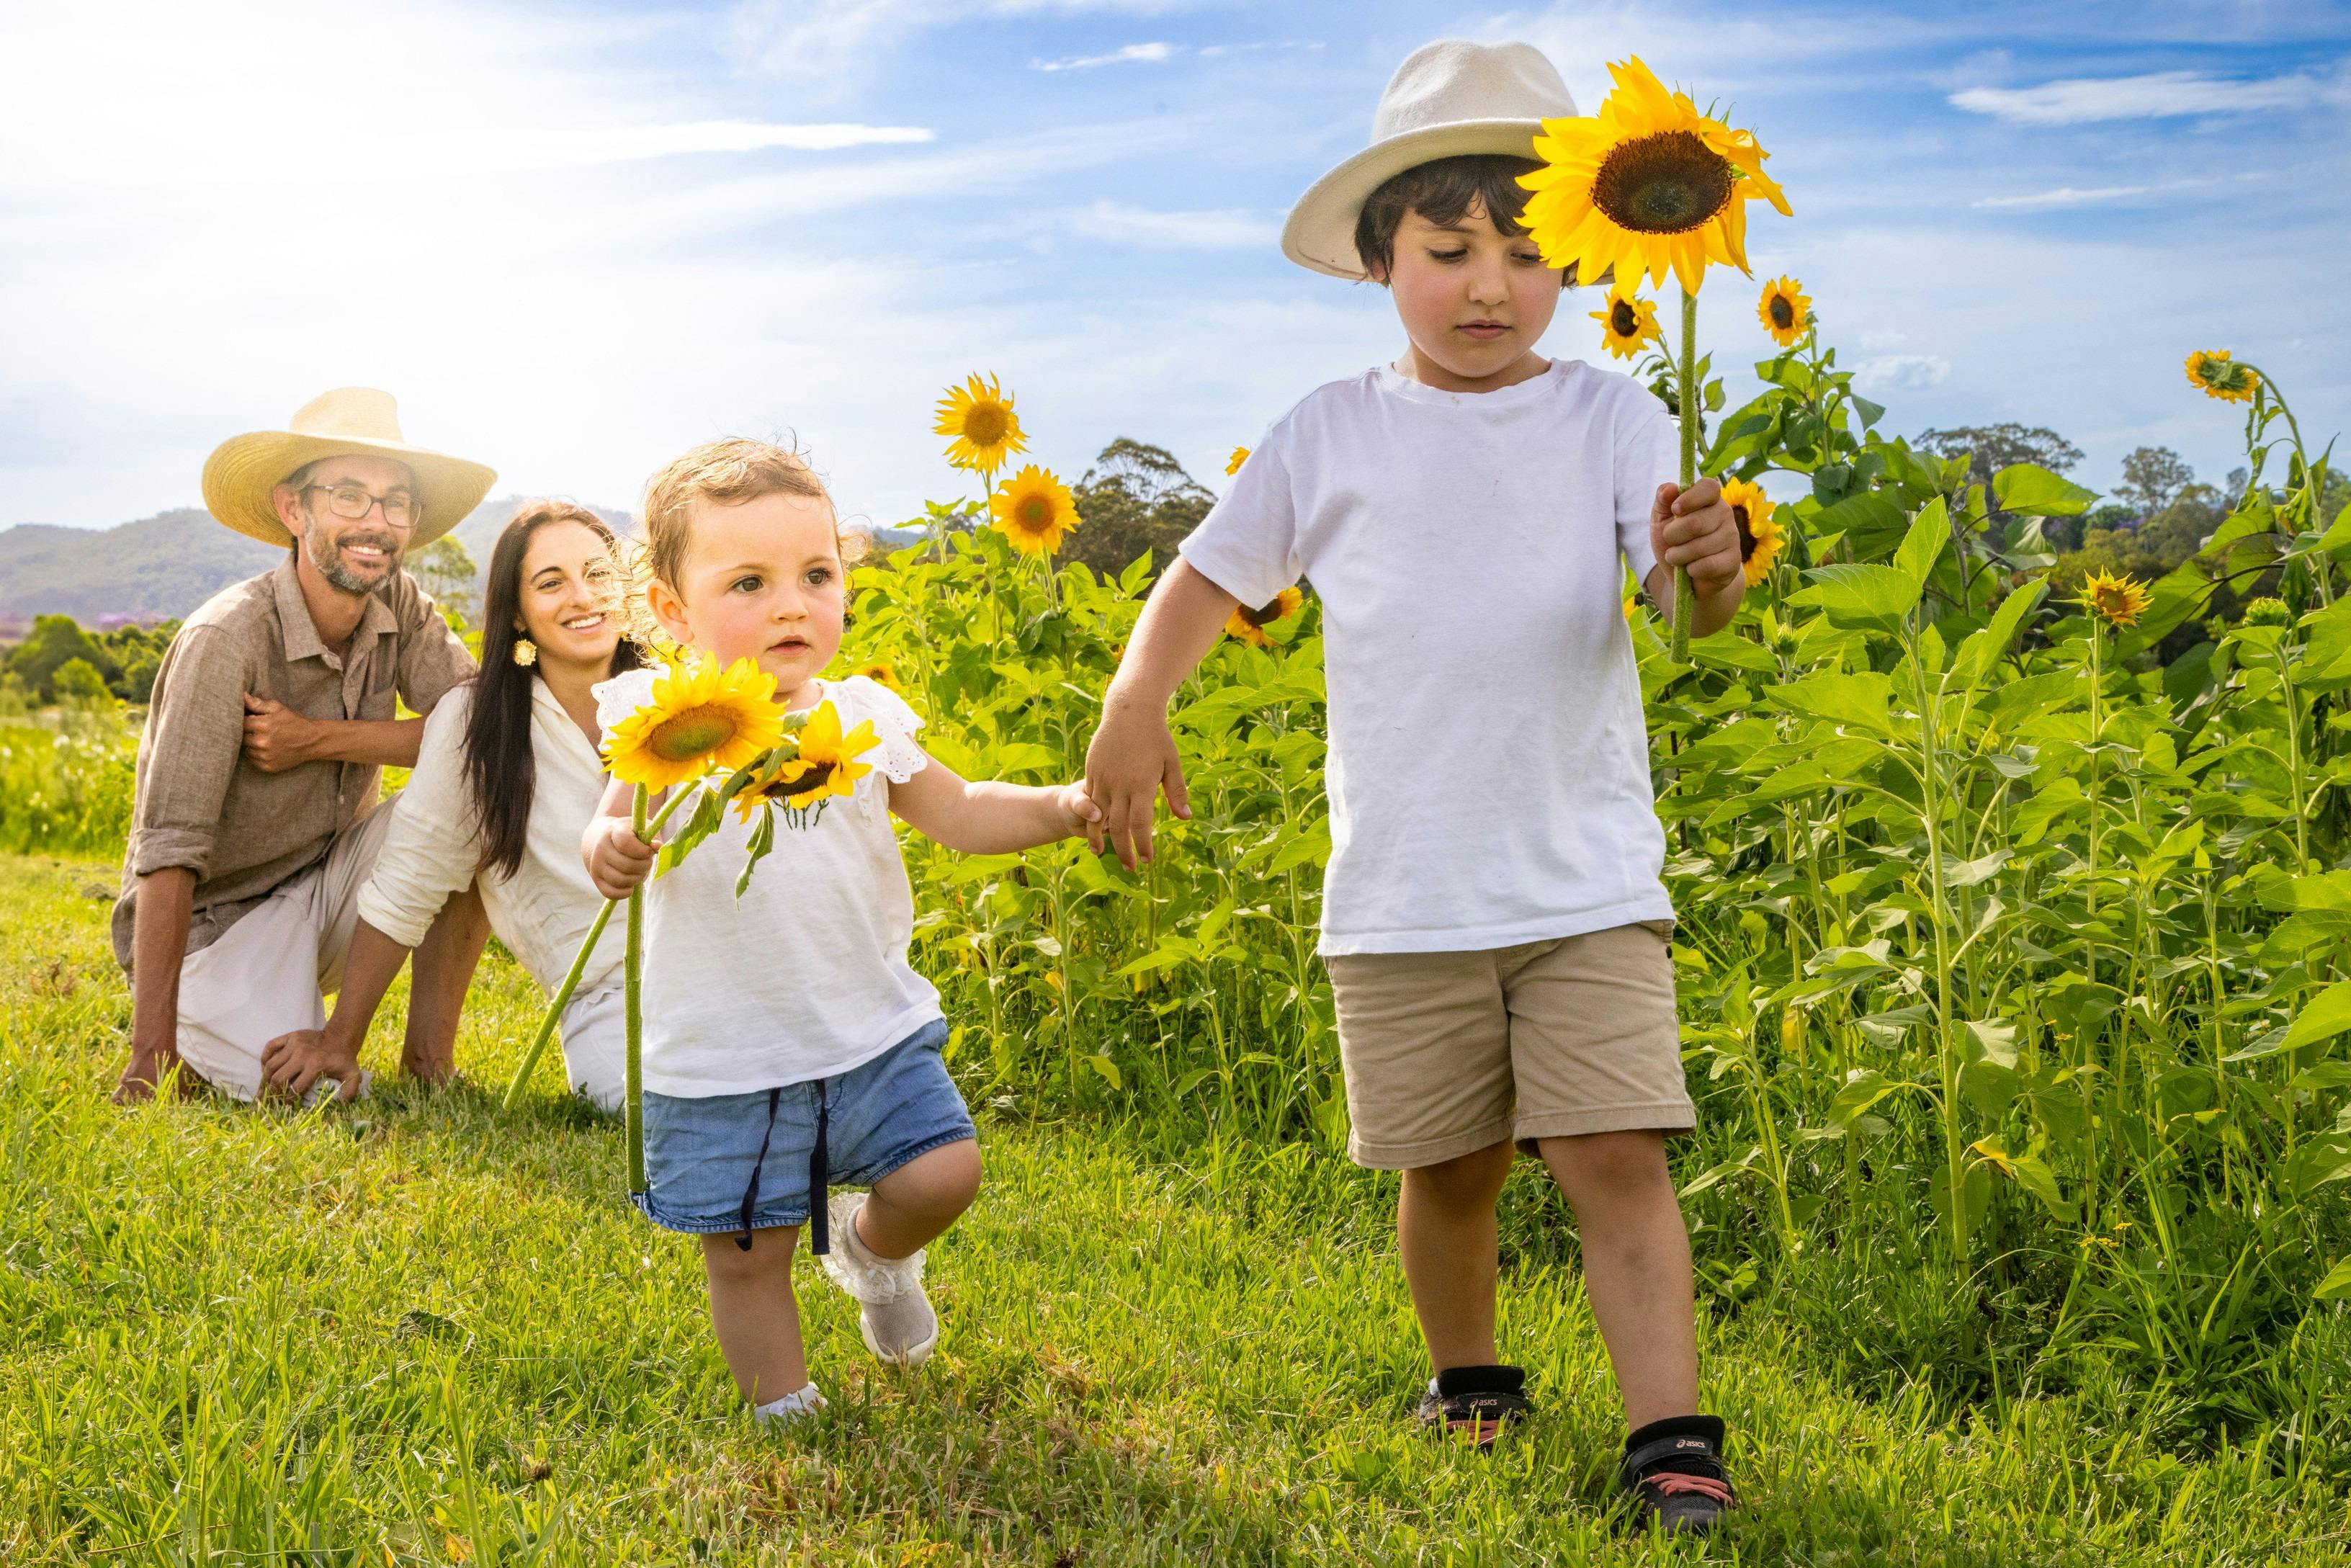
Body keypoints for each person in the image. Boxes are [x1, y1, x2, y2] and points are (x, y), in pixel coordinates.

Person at [1080, 40, 1747, 1533]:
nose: (1488, 284)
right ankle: (1472, 1376)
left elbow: (1686, 609)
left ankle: (1673, 1437)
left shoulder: (1615, 419)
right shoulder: (1334, 429)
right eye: (1448, 251)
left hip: (1584, 875)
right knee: (1447, 1165)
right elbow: (1204, 576)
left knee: (1615, 1150)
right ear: (1384, 257)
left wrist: (1713, 570)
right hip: (1403, 885)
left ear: (1574, 258)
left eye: (1524, 250)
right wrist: (1136, 702)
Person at [583, 438, 1101, 1425]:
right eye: (750, 581)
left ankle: (873, 1251)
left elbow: (963, 810)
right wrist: (609, 847)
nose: (792, 604)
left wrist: (1065, 805)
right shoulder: (664, 718)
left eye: (816, 575)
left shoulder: (863, 714)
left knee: (947, 1169)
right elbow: (608, 822)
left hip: (868, 1028)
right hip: (727, 1050)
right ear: (670, 610)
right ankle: (786, 1405)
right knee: (748, 1251)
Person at [112, 387, 495, 1105]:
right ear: (295, 510)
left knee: (481, 790)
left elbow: (478, 728)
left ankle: (428, 1063)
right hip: (221, 925)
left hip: (330, 885)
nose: (376, 522)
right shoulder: (225, 640)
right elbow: (166, 850)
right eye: (348, 495)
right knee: (312, 1097)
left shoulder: (400, 601)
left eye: (395, 501)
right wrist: (149, 1053)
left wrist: (317, 738)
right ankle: (190, 1033)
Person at [257, 502, 645, 1109]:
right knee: (711, 1111)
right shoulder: (478, 724)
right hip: (611, 1003)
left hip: (728, 970)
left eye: (599, 573)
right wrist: (340, 1039)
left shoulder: (681, 696)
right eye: (551, 582)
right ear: (517, 614)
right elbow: (409, 882)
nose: (583, 596)